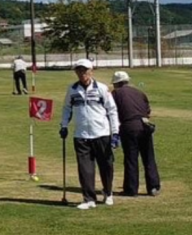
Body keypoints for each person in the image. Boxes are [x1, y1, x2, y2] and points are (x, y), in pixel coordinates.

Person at [59, 58, 120, 210]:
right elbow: (67, 108)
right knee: (85, 168)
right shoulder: (72, 89)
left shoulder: (102, 88)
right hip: (81, 134)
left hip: (101, 133)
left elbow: (112, 110)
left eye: (85, 70)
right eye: (79, 70)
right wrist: (64, 125)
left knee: (106, 165)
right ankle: (89, 199)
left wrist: (115, 132)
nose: (82, 73)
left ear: (91, 71)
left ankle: (108, 192)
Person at [111, 71, 161, 197]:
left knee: (131, 158)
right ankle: (153, 186)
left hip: (129, 126)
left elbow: (112, 111)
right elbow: (147, 110)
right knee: (148, 157)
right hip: (145, 125)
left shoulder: (115, 93)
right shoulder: (139, 92)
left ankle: (131, 189)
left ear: (117, 83)